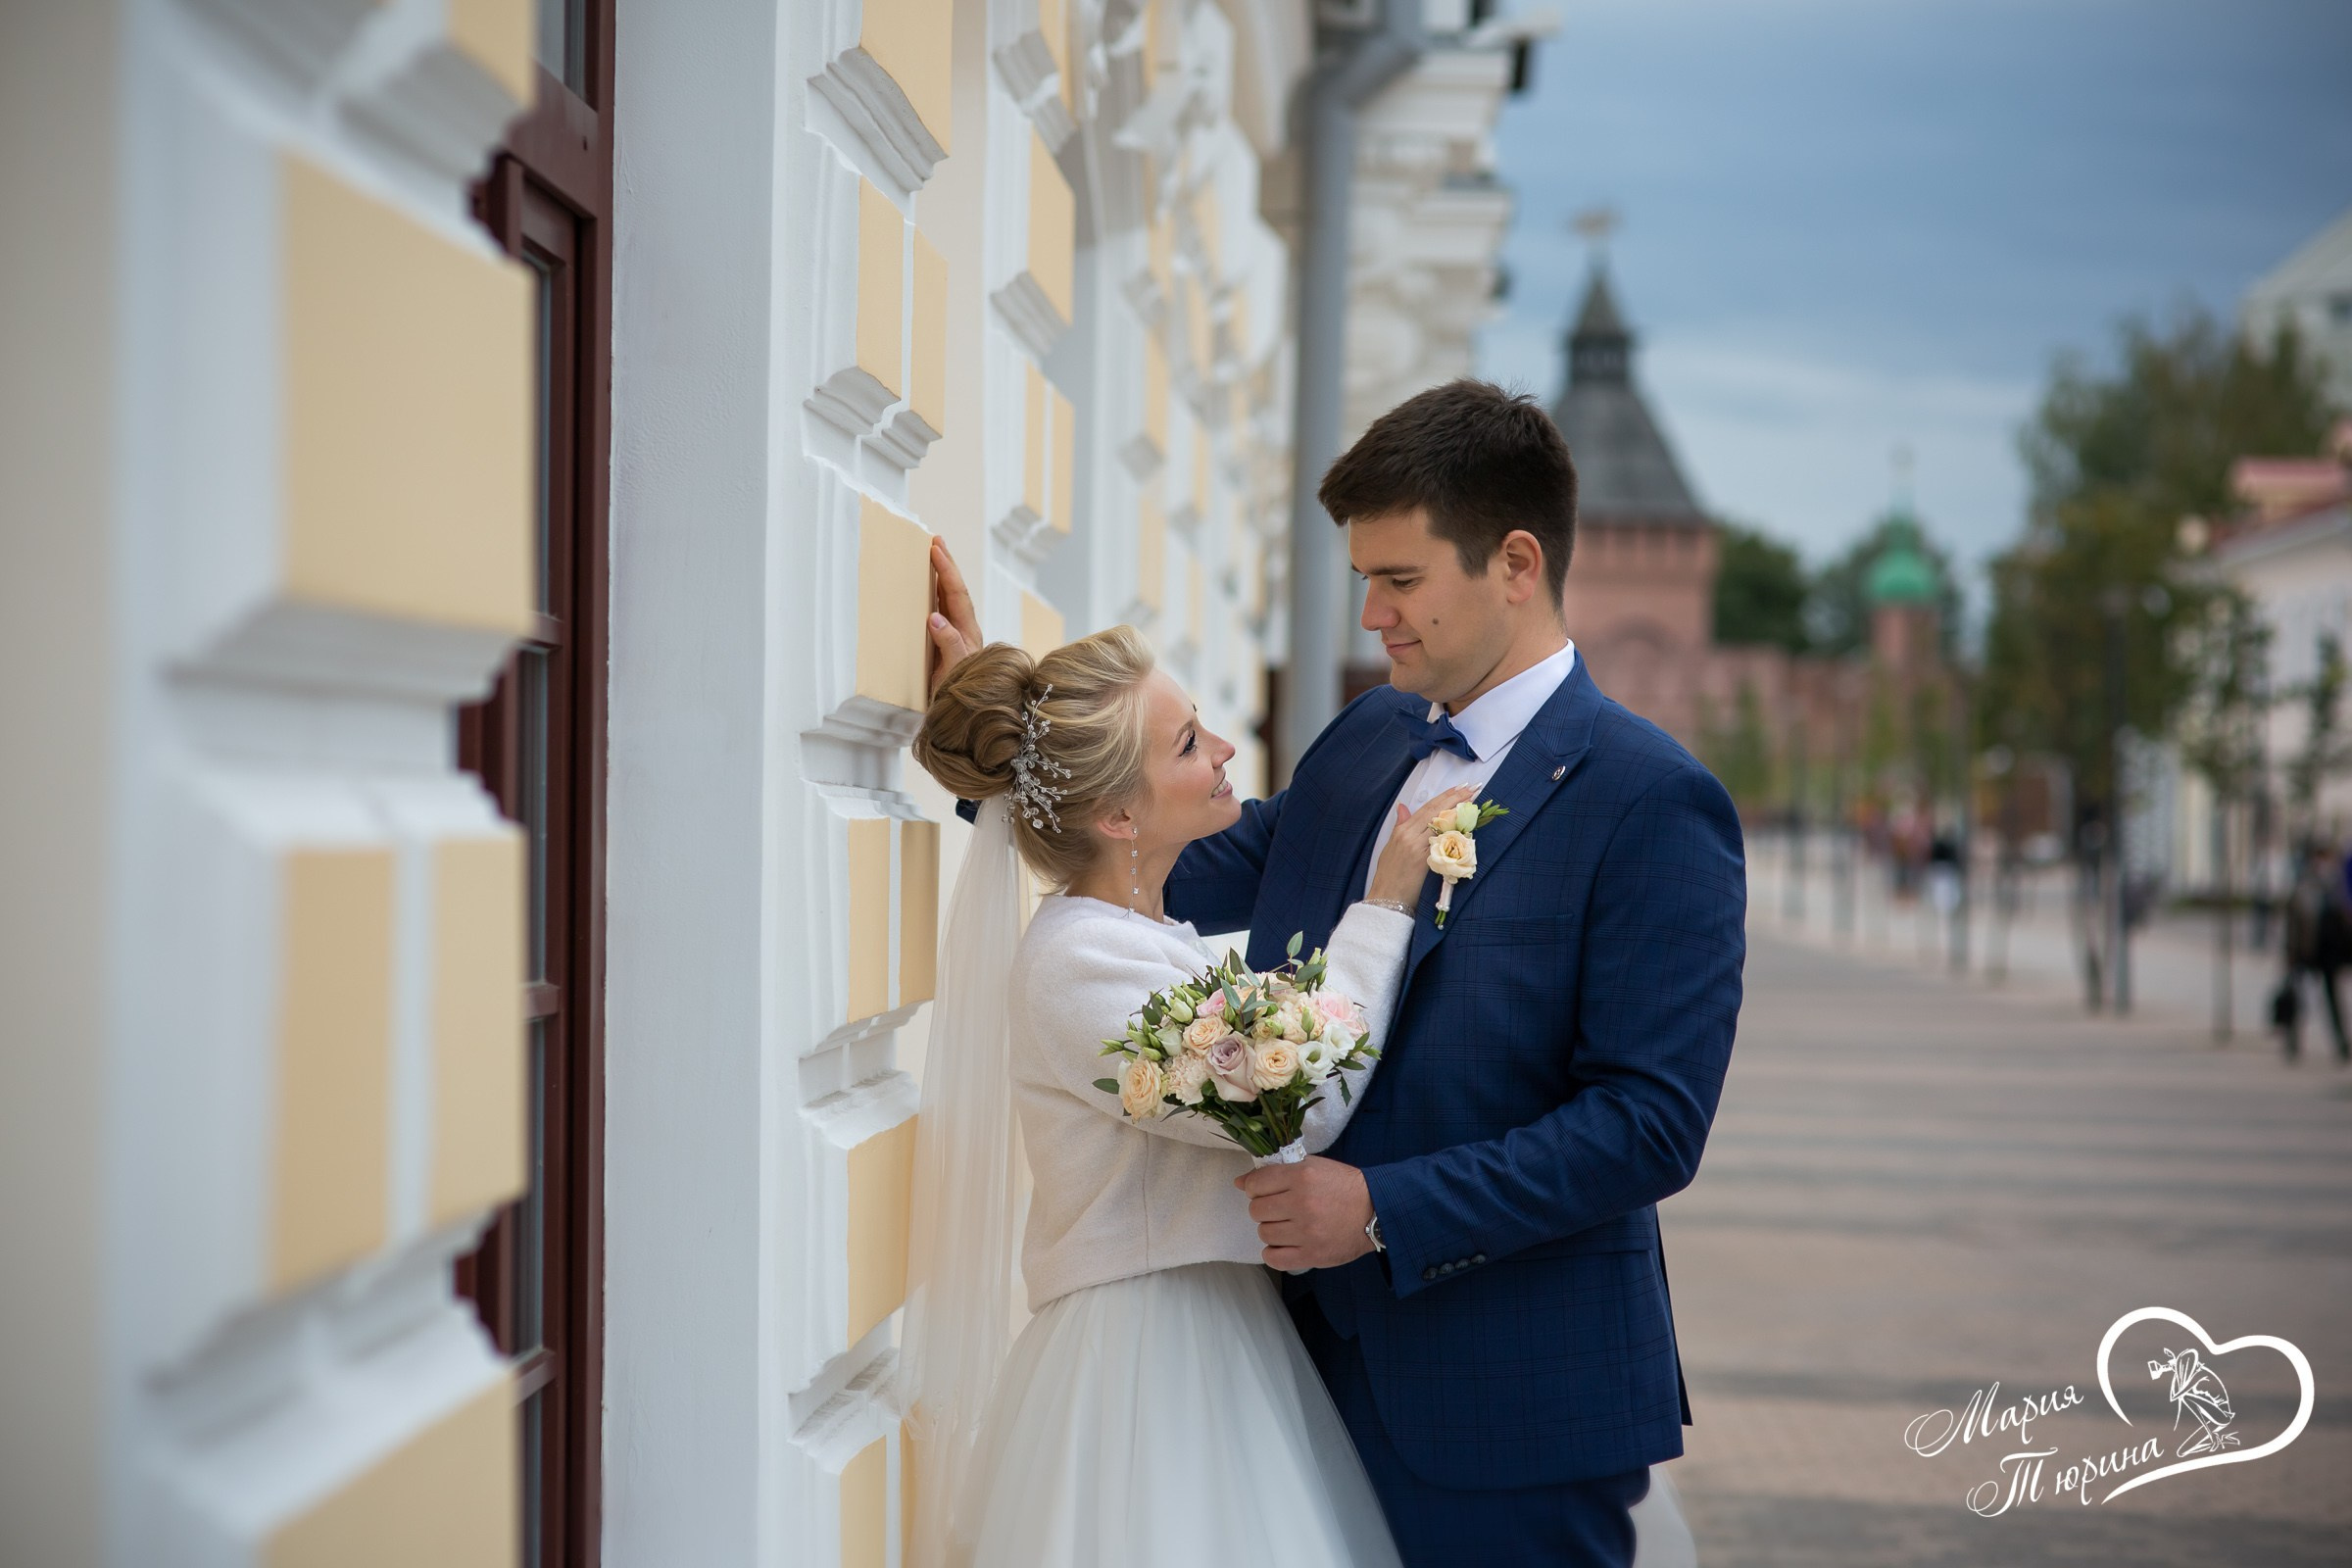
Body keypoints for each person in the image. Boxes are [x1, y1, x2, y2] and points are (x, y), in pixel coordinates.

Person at [920, 378, 1728, 1567]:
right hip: (1279, 1386)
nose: (1371, 618)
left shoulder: (1652, 799)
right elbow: (1151, 876)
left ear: (1513, 562)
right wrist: (1010, 745)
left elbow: (1650, 1123)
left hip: (1505, 1399)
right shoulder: (1368, 740)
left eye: (1398, 580)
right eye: (1364, 580)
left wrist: (1387, 1211)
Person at [903, 621, 1480, 1566]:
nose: (1221, 751)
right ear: (1119, 818)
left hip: (1217, 1331)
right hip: (1143, 1366)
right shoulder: (1076, 964)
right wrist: (1385, 905)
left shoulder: (1148, 937)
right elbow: (1299, 1100)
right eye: (1186, 744)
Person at [2280, 842, 2352, 1063]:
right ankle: (2293, 1040)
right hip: (2305, 952)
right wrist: (2290, 953)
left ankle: (2341, 1043)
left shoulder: (2337, 891)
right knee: (2299, 997)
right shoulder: (2303, 888)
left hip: (2329, 955)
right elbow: (2293, 924)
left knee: (2333, 1000)